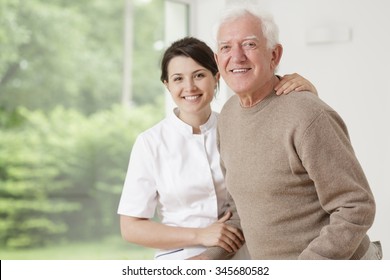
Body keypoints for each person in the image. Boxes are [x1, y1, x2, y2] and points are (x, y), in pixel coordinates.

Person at [194, 5, 382, 260]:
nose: (236, 56)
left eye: (249, 44)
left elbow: (355, 207)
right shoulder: (227, 116)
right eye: (226, 47)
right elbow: (242, 209)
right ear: (218, 60)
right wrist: (210, 256)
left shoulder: (308, 115)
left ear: (274, 55)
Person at [117, 36, 319, 260]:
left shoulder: (237, 125)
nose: (189, 87)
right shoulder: (150, 143)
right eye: (178, 79)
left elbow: (285, 139)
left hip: (242, 253)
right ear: (167, 85)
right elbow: (131, 227)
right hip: (182, 258)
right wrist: (201, 235)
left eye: (199, 75)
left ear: (216, 77)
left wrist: (308, 93)